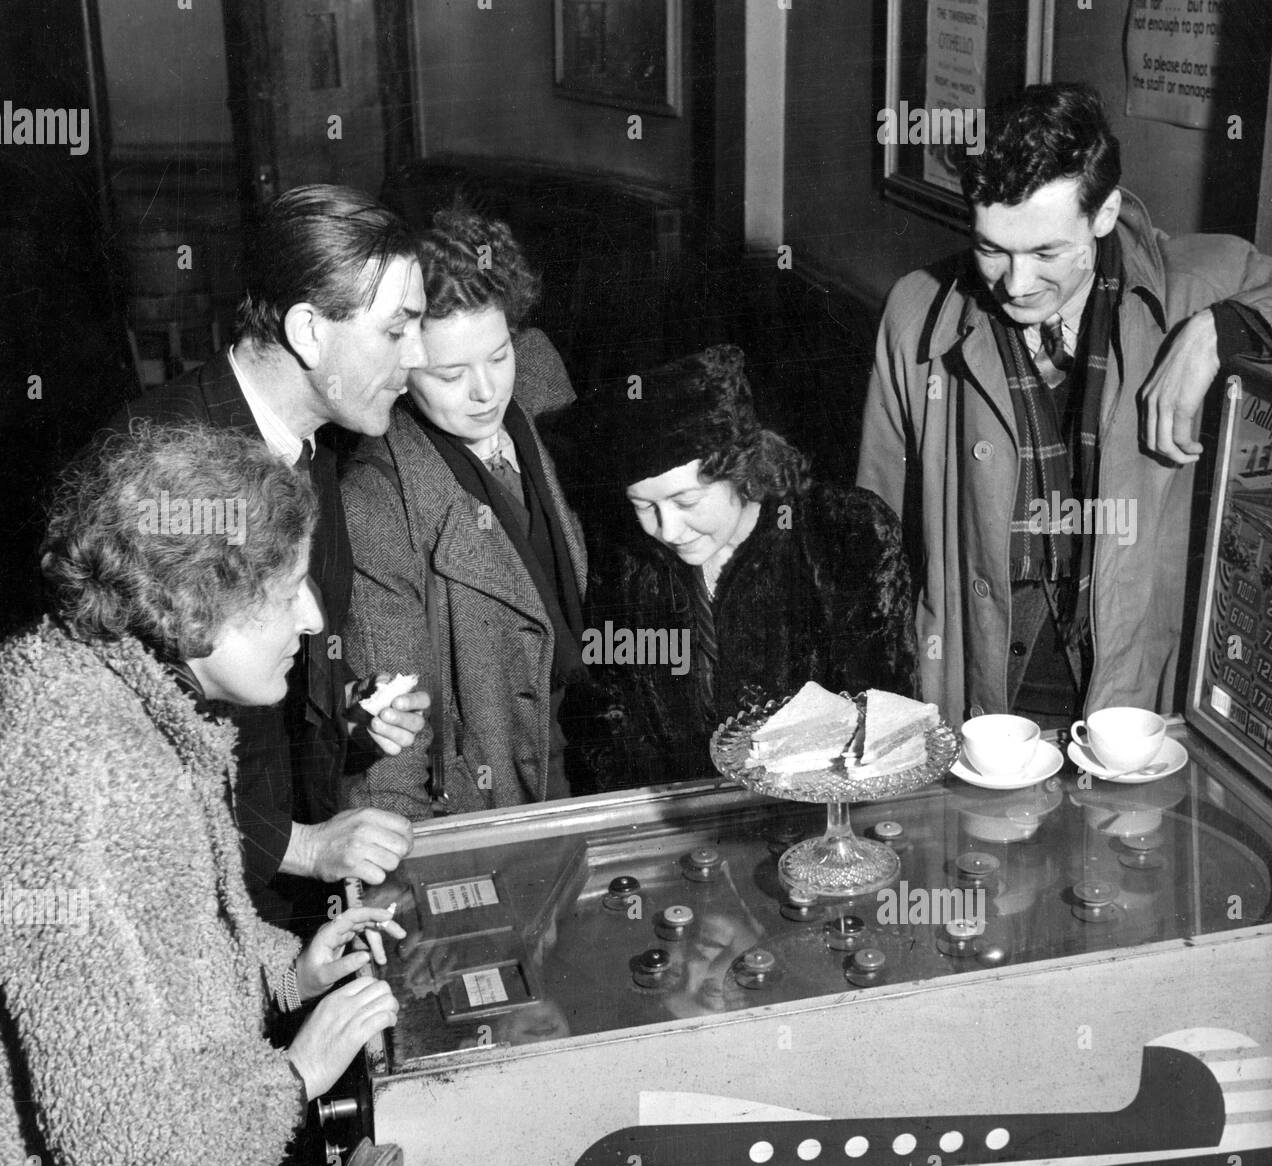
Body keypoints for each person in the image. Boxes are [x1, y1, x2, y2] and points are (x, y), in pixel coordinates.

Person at [0, 424, 404, 1166]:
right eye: (290, 590)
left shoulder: (120, 698)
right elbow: (116, 1139)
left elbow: (168, 959)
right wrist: (296, 1074)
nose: (314, 619)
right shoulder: (88, 769)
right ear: (199, 599)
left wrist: (290, 973)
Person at [858, 83, 1272, 727]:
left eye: (1047, 252)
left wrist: (1219, 331)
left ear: (1104, 214)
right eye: (992, 248)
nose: (1016, 285)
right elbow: (876, 534)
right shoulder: (914, 314)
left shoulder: (1196, 284)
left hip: (1133, 697)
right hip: (977, 689)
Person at [110, 185, 431, 928]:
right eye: (396, 331)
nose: (418, 357)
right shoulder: (162, 467)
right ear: (309, 332)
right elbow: (125, 757)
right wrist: (302, 848)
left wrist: (343, 711)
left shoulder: (309, 441)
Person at [564, 345, 916, 790]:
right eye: (644, 505)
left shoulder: (843, 535)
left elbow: (886, 717)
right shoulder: (628, 560)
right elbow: (610, 705)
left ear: (741, 469)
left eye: (685, 501)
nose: (668, 529)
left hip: (817, 814)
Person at [341, 207, 586, 818]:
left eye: (498, 356)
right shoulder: (376, 504)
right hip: (488, 801)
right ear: (403, 365)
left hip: (583, 759)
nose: (486, 392)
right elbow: (394, 727)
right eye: (450, 373)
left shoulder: (539, 390)